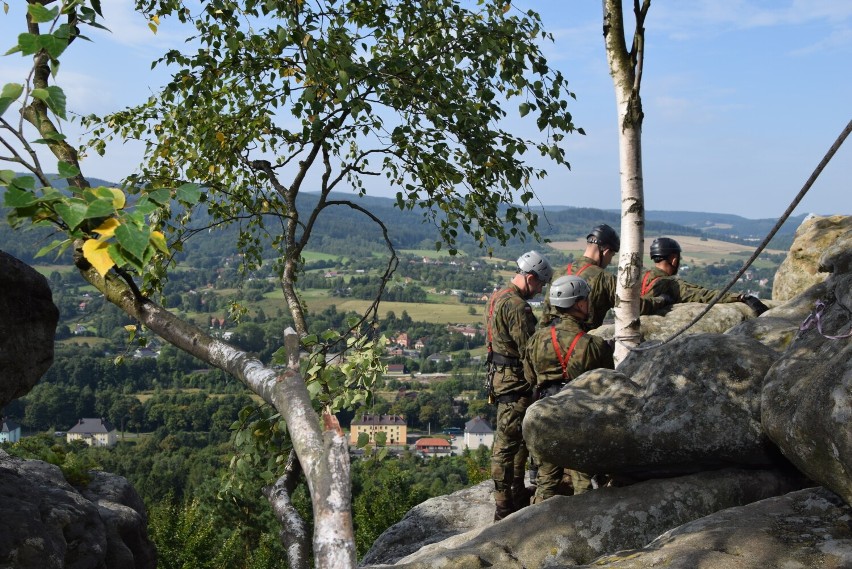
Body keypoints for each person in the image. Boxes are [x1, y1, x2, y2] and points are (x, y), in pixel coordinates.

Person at [523, 275, 614, 503]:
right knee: (583, 479)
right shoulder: (593, 345)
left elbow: (529, 377)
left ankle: (536, 528)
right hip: (579, 416)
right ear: (579, 304)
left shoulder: (536, 340)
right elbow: (607, 382)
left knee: (546, 480)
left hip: (545, 414)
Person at [485, 250, 553, 520]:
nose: (538, 292)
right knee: (507, 443)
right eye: (539, 285)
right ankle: (503, 506)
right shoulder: (517, 306)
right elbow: (529, 349)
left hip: (500, 378)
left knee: (515, 440)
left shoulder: (496, 297)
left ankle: (513, 494)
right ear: (531, 277)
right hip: (516, 381)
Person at [541, 224, 671, 327]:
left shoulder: (559, 273)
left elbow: (546, 314)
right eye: (612, 256)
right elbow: (634, 305)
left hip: (550, 344)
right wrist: (661, 300)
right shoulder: (605, 279)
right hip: (584, 347)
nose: (610, 261)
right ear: (606, 251)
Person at [641, 237, 769, 314]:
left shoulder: (640, 276)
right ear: (674, 259)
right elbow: (704, 295)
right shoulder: (672, 284)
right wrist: (741, 297)